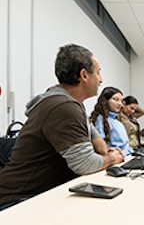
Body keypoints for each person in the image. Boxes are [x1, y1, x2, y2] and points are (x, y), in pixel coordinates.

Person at [0, 44, 125, 211]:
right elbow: (85, 164)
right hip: (19, 200)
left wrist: (106, 154)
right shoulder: (63, 106)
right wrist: (114, 158)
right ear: (84, 75)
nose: (101, 79)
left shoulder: (70, 104)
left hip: (38, 194)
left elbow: (96, 140)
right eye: (98, 72)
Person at [90, 87, 134, 156]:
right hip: (116, 161)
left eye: (121, 101)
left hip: (127, 157)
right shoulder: (100, 121)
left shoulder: (116, 121)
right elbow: (101, 150)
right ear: (105, 101)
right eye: (115, 99)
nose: (120, 104)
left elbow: (125, 146)